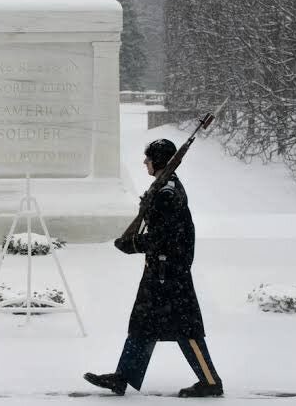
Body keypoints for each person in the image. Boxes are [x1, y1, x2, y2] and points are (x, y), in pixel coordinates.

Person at [83, 138, 223, 398]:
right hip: (160, 271)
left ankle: (211, 381)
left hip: (170, 273)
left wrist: (133, 244)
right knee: (142, 326)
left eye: (148, 158)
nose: (144, 162)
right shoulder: (163, 188)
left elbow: (164, 237)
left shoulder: (167, 193)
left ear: (159, 161)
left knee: (186, 329)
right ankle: (122, 378)